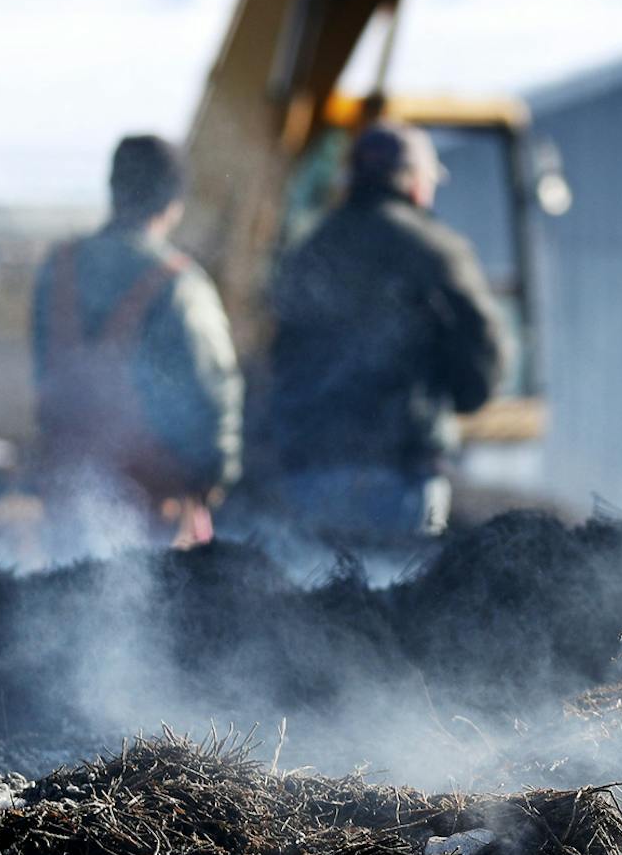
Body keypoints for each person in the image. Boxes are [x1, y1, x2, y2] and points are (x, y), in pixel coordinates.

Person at [267, 121, 511, 535]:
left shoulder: (310, 249)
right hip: (401, 479)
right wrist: (463, 394)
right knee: (401, 592)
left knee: (319, 594)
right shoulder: (438, 250)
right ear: (416, 183)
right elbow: (483, 355)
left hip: (313, 475)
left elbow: (281, 352)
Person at [32, 135, 242, 549]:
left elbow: (45, 375)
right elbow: (214, 393)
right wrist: (214, 479)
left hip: (69, 500)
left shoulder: (57, 269)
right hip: (150, 512)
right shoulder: (179, 285)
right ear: (173, 202)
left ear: (114, 189)